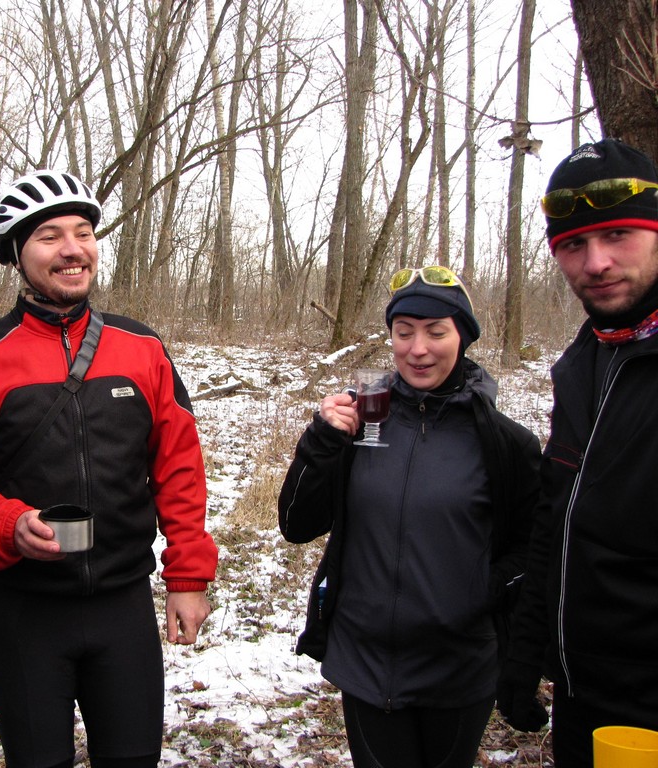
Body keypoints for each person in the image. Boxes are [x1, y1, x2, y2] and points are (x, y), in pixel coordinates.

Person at [0, 169, 218, 768]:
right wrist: (7, 523)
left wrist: (188, 576)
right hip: (24, 611)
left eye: (82, 233)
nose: (72, 249)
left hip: (123, 605)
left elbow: (179, 465)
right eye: (49, 236)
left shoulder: (142, 348)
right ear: (16, 255)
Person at [278, 268, 541, 768]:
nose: (418, 349)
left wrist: (478, 596)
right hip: (365, 659)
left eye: (436, 332)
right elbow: (296, 525)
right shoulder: (362, 420)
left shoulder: (505, 442)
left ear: (463, 338)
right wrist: (321, 442)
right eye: (404, 333)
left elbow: (532, 548)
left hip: (457, 666)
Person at [497, 138, 658, 766]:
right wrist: (526, 650)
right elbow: (555, 518)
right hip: (583, 688)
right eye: (572, 244)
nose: (596, 262)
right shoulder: (584, 364)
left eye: (618, 235)